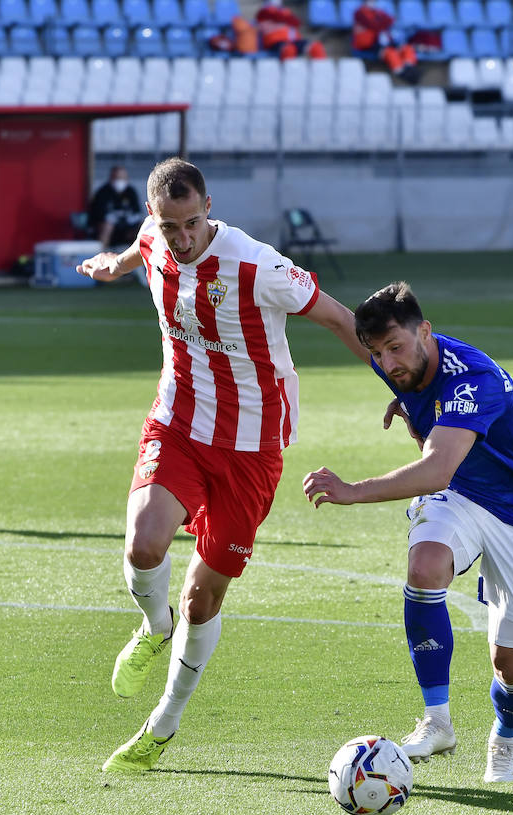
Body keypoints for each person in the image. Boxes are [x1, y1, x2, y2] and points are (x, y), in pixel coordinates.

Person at [75, 158, 370, 773]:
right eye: (168, 225)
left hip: (250, 447)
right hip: (177, 422)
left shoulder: (256, 265)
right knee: (143, 545)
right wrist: (115, 264)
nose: (179, 239)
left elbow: (341, 317)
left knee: (202, 601)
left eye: (189, 223)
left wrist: (398, 381)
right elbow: (141, 246)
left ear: (208, 205)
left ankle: (165, 721)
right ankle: (153, 628)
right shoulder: (155, 234)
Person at [302, 282, 513, 784]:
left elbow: (436, 467)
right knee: (425, 568)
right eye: (378, 353)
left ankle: (504, 743)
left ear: (425, 331)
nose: (389, 363)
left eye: (396, 348)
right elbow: (336, 318)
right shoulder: (392, 358)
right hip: (458, 496)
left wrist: (352, 490)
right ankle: (437, 721)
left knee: (510, 661)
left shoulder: (473, 380)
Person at [352, 0, 418, 81]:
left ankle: (409, 67)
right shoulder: (359, 13)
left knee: (407, 48)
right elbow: (373, 25)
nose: (372, 2)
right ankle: (402, 73)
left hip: (383, 42)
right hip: (368, 45)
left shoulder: (377, 12)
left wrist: (380, 23)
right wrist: (381, 23)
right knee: (390, 53)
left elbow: (390, 20)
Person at [87, 166, 143, 249]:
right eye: (117, 178)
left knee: (142, 226)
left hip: (126, 227)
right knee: (108, 226)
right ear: (111, 178)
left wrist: (129, 219)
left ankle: (137, 257)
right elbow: (96, 215)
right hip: (107, 229)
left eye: (123, 178)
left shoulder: (131, 192)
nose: (120, 181)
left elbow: (137, 212)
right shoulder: (102, 192)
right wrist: (111, 219)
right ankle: (102, 254)